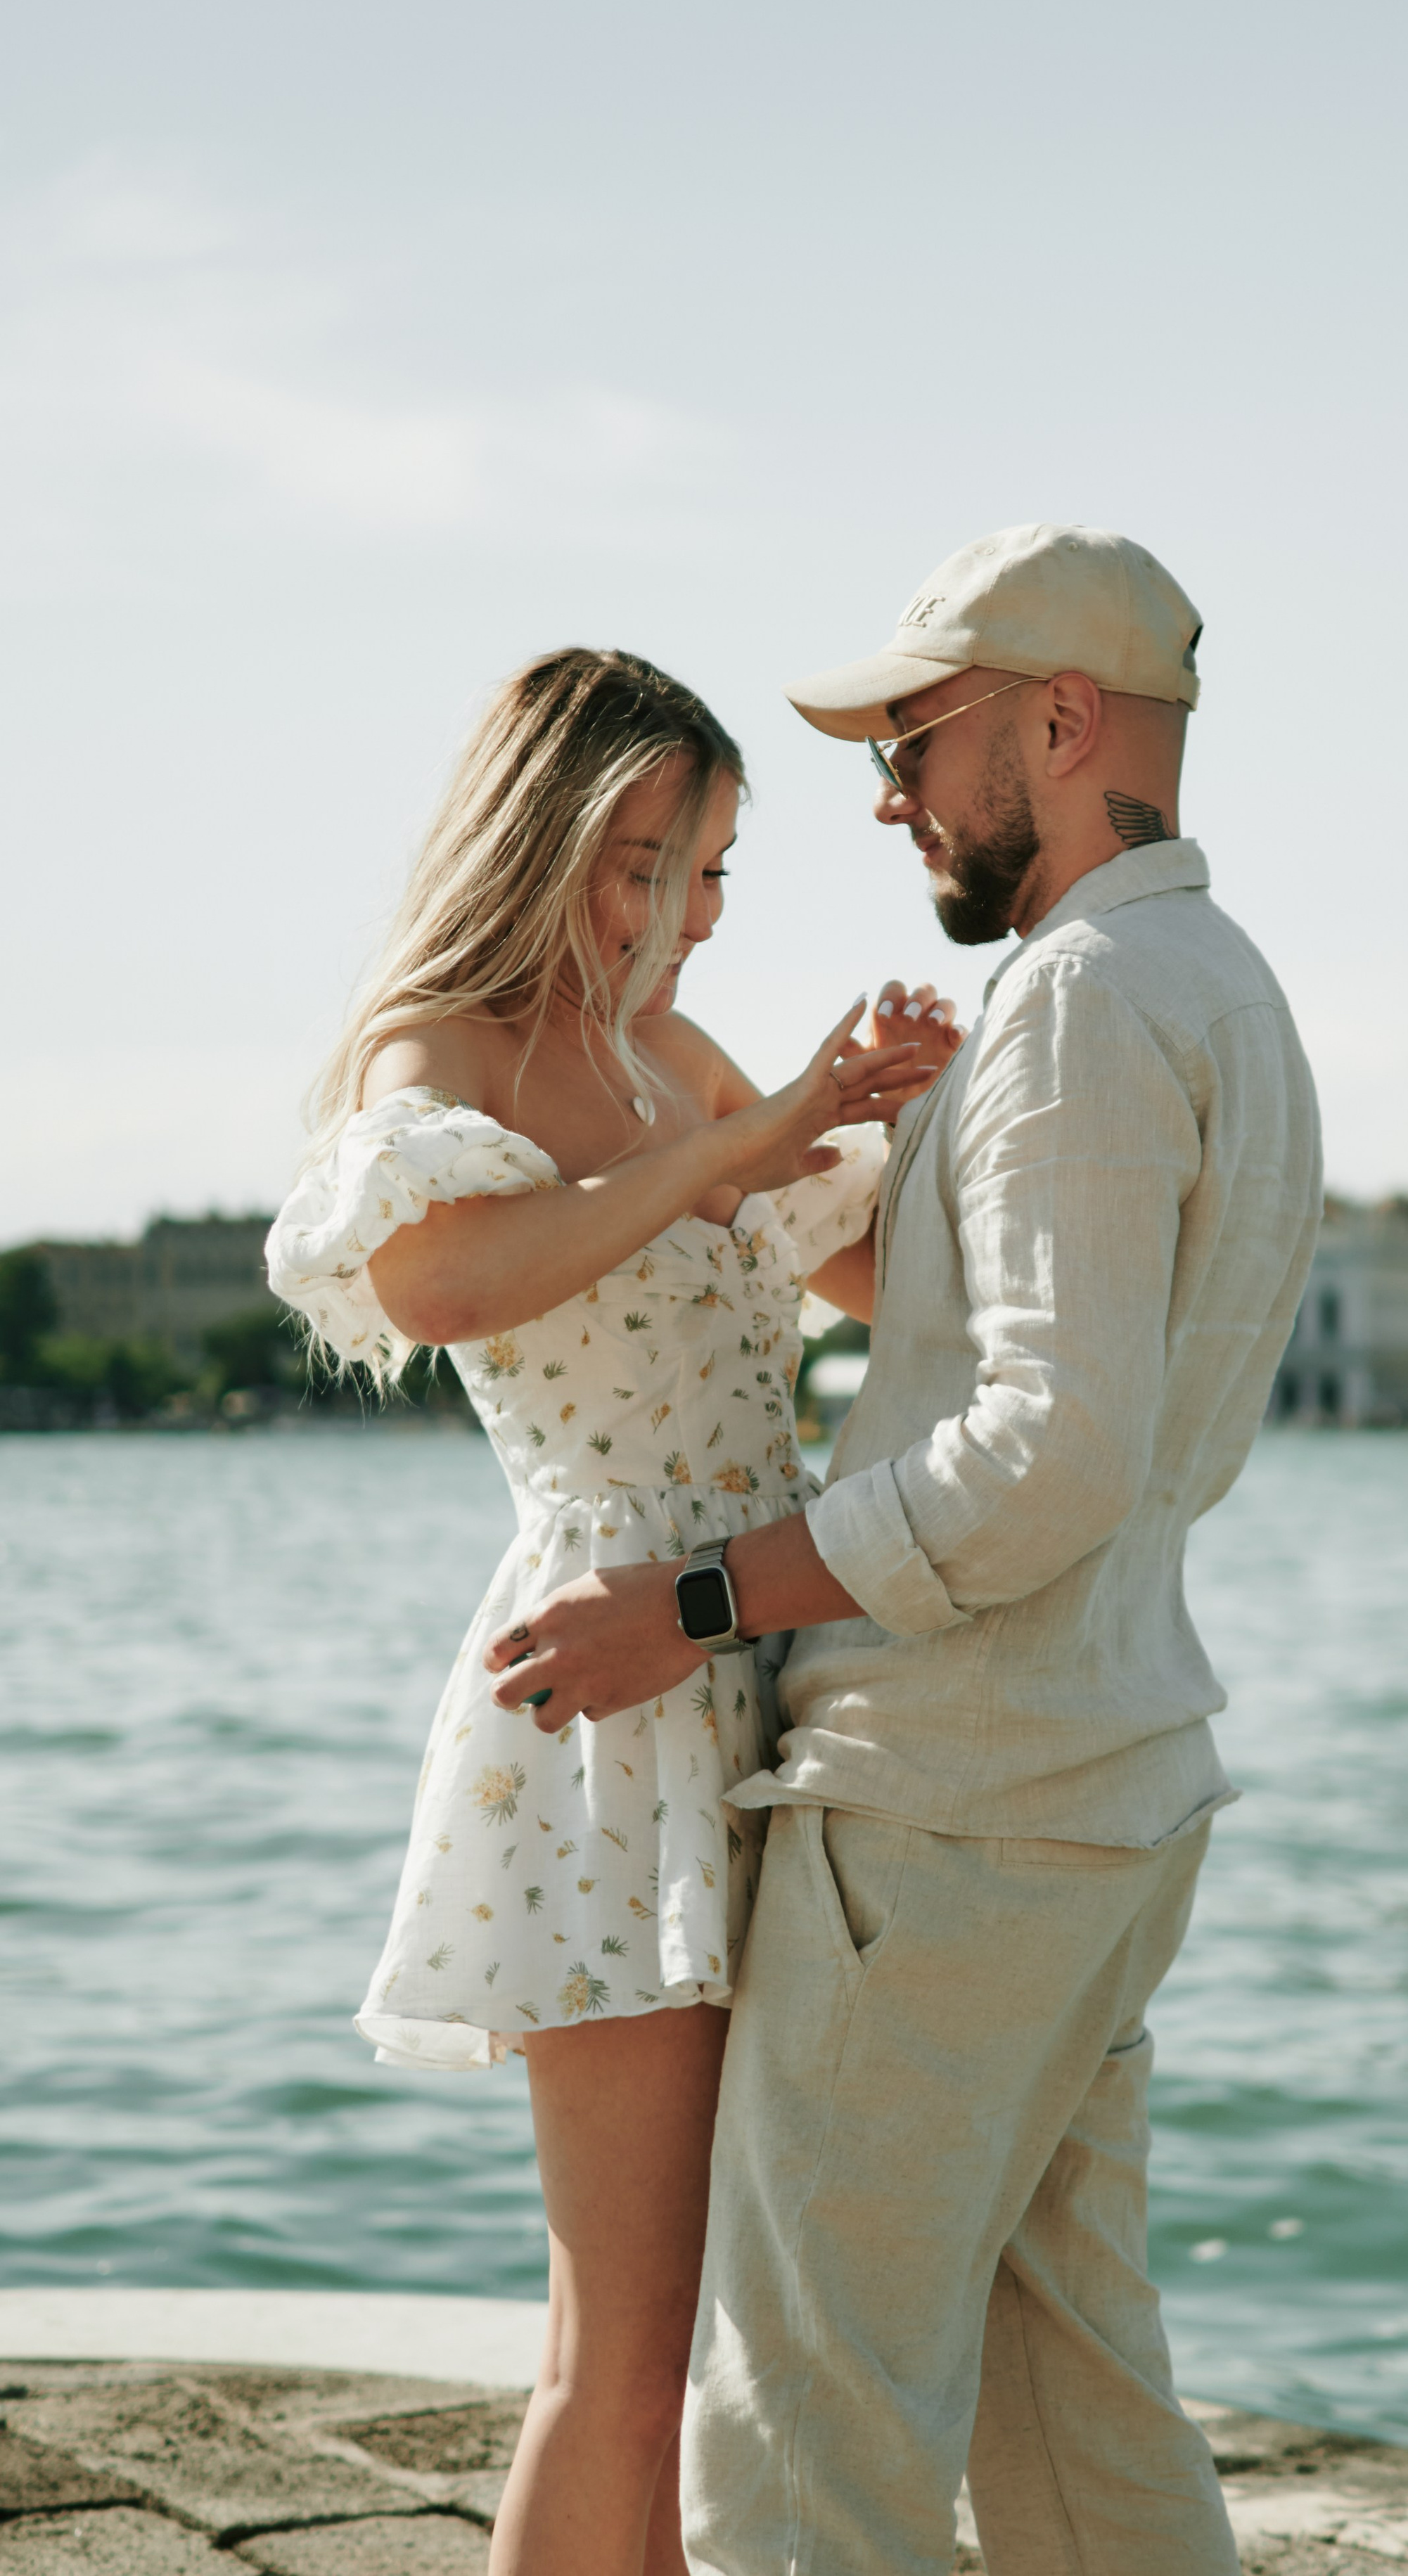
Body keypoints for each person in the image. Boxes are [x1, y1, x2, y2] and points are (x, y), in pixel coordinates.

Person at [487, 529, 1324, 2576]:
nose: (887, 796)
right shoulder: (1226, 990)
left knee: (801, 2451)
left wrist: (687, 1599)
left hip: (953, 1822)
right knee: (1081, 2423)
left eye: (917, 740)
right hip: (1113, 1795)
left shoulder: (1080, 1010)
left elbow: (1038, 1457)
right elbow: (1075, 1406)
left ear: (1059, 720)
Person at [264, 644, 960, 2576]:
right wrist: (749, 1138)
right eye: (641, 857)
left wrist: (935, 1112)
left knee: (734, 2323)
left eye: (715, 869)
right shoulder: (444, 1049)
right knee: (628, 2340)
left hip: (767, 1661)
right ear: (545, 832)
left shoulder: (681, 1057)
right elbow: (445, 1285)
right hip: (608, 1704)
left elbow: (889, 1285)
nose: (675, 912)